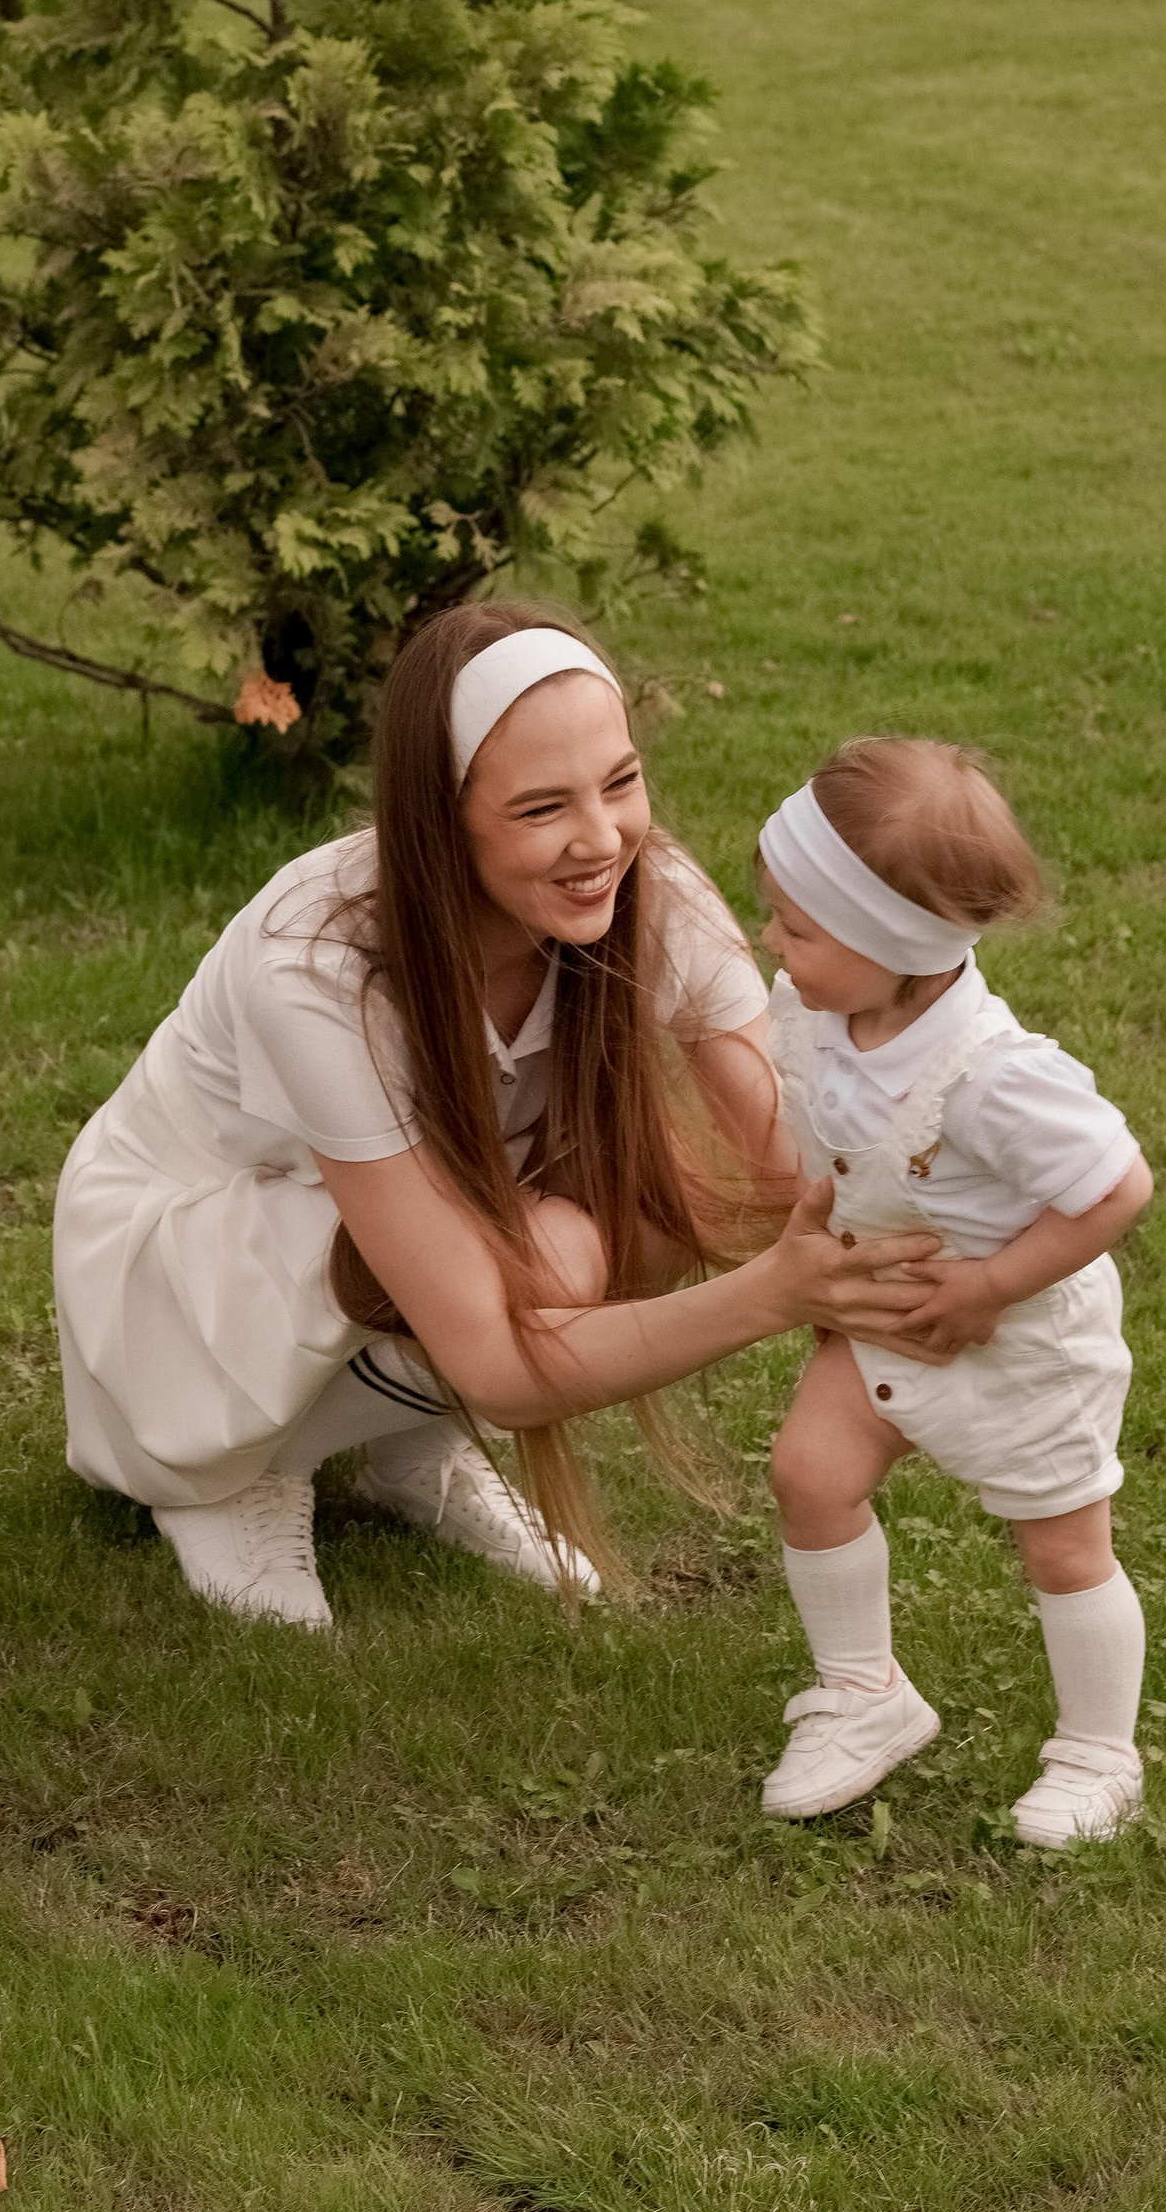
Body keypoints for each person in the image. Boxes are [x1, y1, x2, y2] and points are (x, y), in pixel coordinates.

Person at [54, 604, 949, 1630]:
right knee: (557, 1256)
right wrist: (776, 1293)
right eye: (539, 810)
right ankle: (230, 1472)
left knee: (657, 1206)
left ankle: (400, 1445)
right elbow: (496, 1362)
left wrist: (982, 1221)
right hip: (184, 1272)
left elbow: (794, 1164)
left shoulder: (650, 892)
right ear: (441, 817)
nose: (599, 840)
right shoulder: (317, 965)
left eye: (619, 783)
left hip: (383, 1229)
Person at [752, 739, 1154, 1847]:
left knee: (1063, 1546)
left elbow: (1115, 1188)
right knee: (807, 1472)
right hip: (891, 1308)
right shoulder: (830, 1009)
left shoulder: (994, 1076)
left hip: (1018, 1333)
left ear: (892, 945)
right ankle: (862, 1695)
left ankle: (1097, 1754)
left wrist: (991, 1285)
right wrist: (815, 1223)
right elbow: (832, 1137)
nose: (772, 943)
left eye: (796, 926)